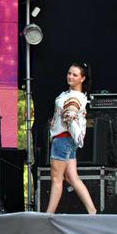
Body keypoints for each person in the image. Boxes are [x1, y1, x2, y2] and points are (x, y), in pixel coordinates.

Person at [45, 63, 97, 214]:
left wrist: (69, 120)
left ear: (82, 78)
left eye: (75, 75)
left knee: (56, 179)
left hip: (63, 139)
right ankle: (92, 211)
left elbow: (71, 113)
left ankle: (48, 215)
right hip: (66, 139)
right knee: (71, 177)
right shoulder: (70, 94)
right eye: (69, 73)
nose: (70, 76)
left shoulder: (75, 97)